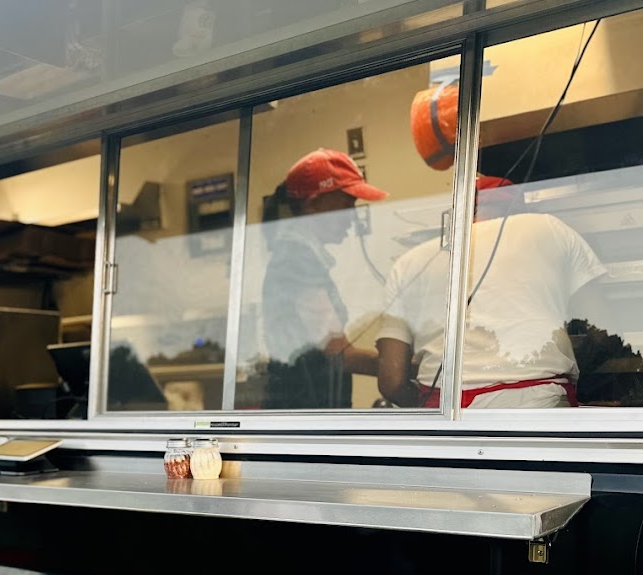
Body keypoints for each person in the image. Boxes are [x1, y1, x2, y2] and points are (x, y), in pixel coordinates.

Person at [376, 176, 608, 408]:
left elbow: (392, 383)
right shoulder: (549, 228)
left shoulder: (410, 262)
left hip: (446, 408)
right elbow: (601, 330)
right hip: (539, 402)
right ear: (518, 208)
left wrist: (433, 409)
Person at [259, 148, 389, 408]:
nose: (353, 218)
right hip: (303, 415)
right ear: (313, 204)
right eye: (346, 206)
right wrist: (404, 368)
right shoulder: (295, 262)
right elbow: (340, 354)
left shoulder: (299, 258)